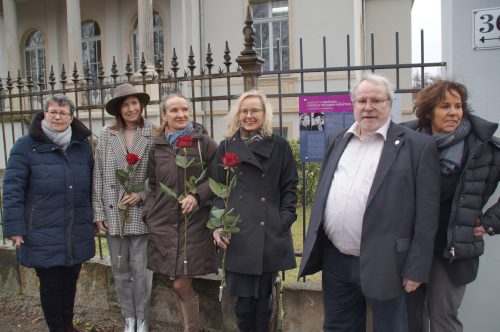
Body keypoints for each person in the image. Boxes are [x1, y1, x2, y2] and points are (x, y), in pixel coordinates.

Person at [298, 73, 441, 331]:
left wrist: (417, 268)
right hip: (337, 261)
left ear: (389, 103)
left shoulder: (418, 146)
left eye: (377, 100)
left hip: (388, 264)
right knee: (338, 327)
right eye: (362, 100)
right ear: (353, 103)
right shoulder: (337, 140)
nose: (368, 107)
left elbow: (427, 215)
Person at [405, 79, 500, 332]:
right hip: (411, 245)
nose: (453, 112)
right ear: (428, 112)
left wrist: (492, 221)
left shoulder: (484, 146)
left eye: (458, 106)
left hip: (453, 248)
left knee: (443, 317)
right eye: (445, 106)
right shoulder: (407, 142)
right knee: (409, 319)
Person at [2, 94, 94, 332]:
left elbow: (93, 184)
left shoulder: (82, 146)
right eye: (53, 111)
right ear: (44, 114)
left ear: (71, 117)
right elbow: (13, 188)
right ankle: (57, 328)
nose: (57, 117)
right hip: (42, 229)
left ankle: (67, 325)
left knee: (70, 282)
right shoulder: (25, 145)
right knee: (51, 285)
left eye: (63, 113)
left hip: (75, 228)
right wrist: (14, 226)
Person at [212, 90, 298, 332]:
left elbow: (290, 186)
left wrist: (284, 219)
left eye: (255, 111)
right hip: (236, 233)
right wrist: (218, 225)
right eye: (244, 111)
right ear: (238, 114)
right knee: (243, 303)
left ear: (264, 114)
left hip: (268, 232)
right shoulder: (226, 146)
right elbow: (219, 190)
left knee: (264, 302)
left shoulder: (279, 145)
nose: (249, 116)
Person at [142, 93, 217, 332]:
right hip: (164, 222)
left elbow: (219, 177)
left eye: (184, 109)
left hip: (193, 223)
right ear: (164, 115)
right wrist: (150, 211)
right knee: (175, 282)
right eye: (174, 110)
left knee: (180, 284)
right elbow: (153, 183)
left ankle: (191, 329)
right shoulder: (157, 146)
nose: (181, 114)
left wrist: (197, 196)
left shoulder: (202, 143)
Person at [93, 83, 154, 332]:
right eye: (125, 104)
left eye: (134, 103)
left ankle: (143, 319)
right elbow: (97, 174)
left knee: (142, 273)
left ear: (141, 106)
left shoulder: (152, 132)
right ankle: (128, 318)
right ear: (118, 109)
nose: (130, 109)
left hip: (142, 214)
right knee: (120, 271)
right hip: (113, 213)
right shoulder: (107, 135)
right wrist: (98, 213)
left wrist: (141, 192)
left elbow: (160, 173)